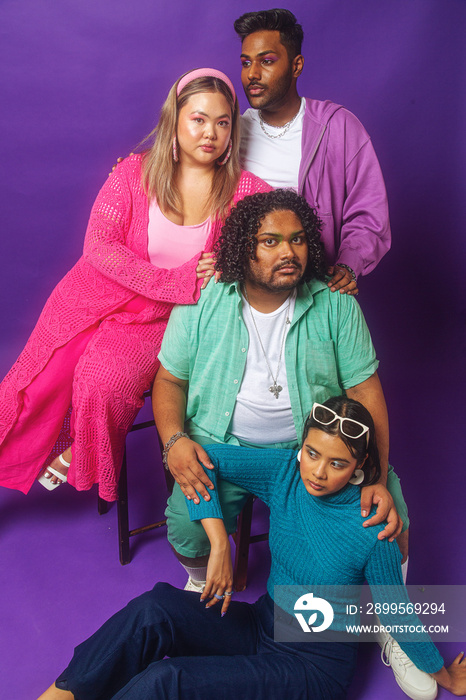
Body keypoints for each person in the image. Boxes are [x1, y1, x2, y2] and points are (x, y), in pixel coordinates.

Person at [37, 398, 466, 700]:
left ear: (360, 468)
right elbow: (197, 459)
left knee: (169, 680)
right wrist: (219, 540)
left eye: (337, 464)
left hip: (312, 668)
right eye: (312, 453)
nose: (317, 472)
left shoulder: (374, 526)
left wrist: (445, 675)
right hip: (264, 624)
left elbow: (399, 612)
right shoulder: (286, 474)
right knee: (155, 609)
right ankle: (60, 695)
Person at [0, 68, 270, 501]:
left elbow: (278, 238)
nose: (211, 133)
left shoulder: (246, 193)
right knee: (35, 386)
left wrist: (234, 264)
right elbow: (98, 248)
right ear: (174, 121)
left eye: (223, 122)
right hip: (95, 298)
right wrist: (176, 279)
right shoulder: (133, 173)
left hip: (165, 320)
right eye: (198, 119)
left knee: (101, 380)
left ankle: (78, 454)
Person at [153, 188, 406, 591]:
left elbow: (365, 392)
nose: (289, 252)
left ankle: (392, 621)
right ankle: (203, 584)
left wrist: (374, 473)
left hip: (314, 451)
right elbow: (170, 380)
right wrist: (174, 440)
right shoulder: (202, 298)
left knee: (389, 517)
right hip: (226, 447)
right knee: (186, 523)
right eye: (270, 241)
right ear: (243, 248)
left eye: (298, 239)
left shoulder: (336, 302)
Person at [234, 8, 391, 296]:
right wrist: (135, 173)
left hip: (315, 289)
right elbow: (188, 179)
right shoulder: (231, 132)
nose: (252, 74)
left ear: (296, 65)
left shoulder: (338, 127)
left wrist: (348, 265)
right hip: (245, 292)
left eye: (267, 61)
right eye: (246, 63)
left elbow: (369, 213)